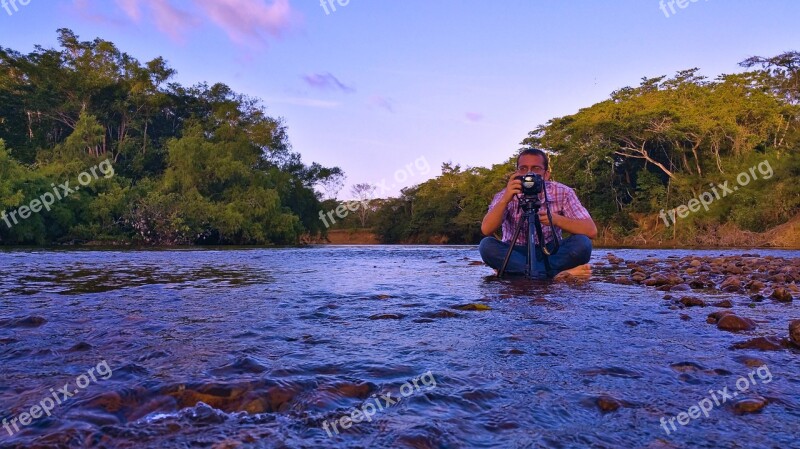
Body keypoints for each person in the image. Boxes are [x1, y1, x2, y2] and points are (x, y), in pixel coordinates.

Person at [479, 148, 596, 279]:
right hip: (515, 251)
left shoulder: (563, 192)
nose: (529, 174)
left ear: (546, 174)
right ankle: (554, 274)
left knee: (583, 243)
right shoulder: (505, 194)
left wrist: (556, 220)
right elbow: (486, 229)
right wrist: (505, 200)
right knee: (486, 246)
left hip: (550, 251)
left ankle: (517, 271)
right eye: (523, 168)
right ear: (517, 173)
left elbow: (591, 231)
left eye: (535, 168)